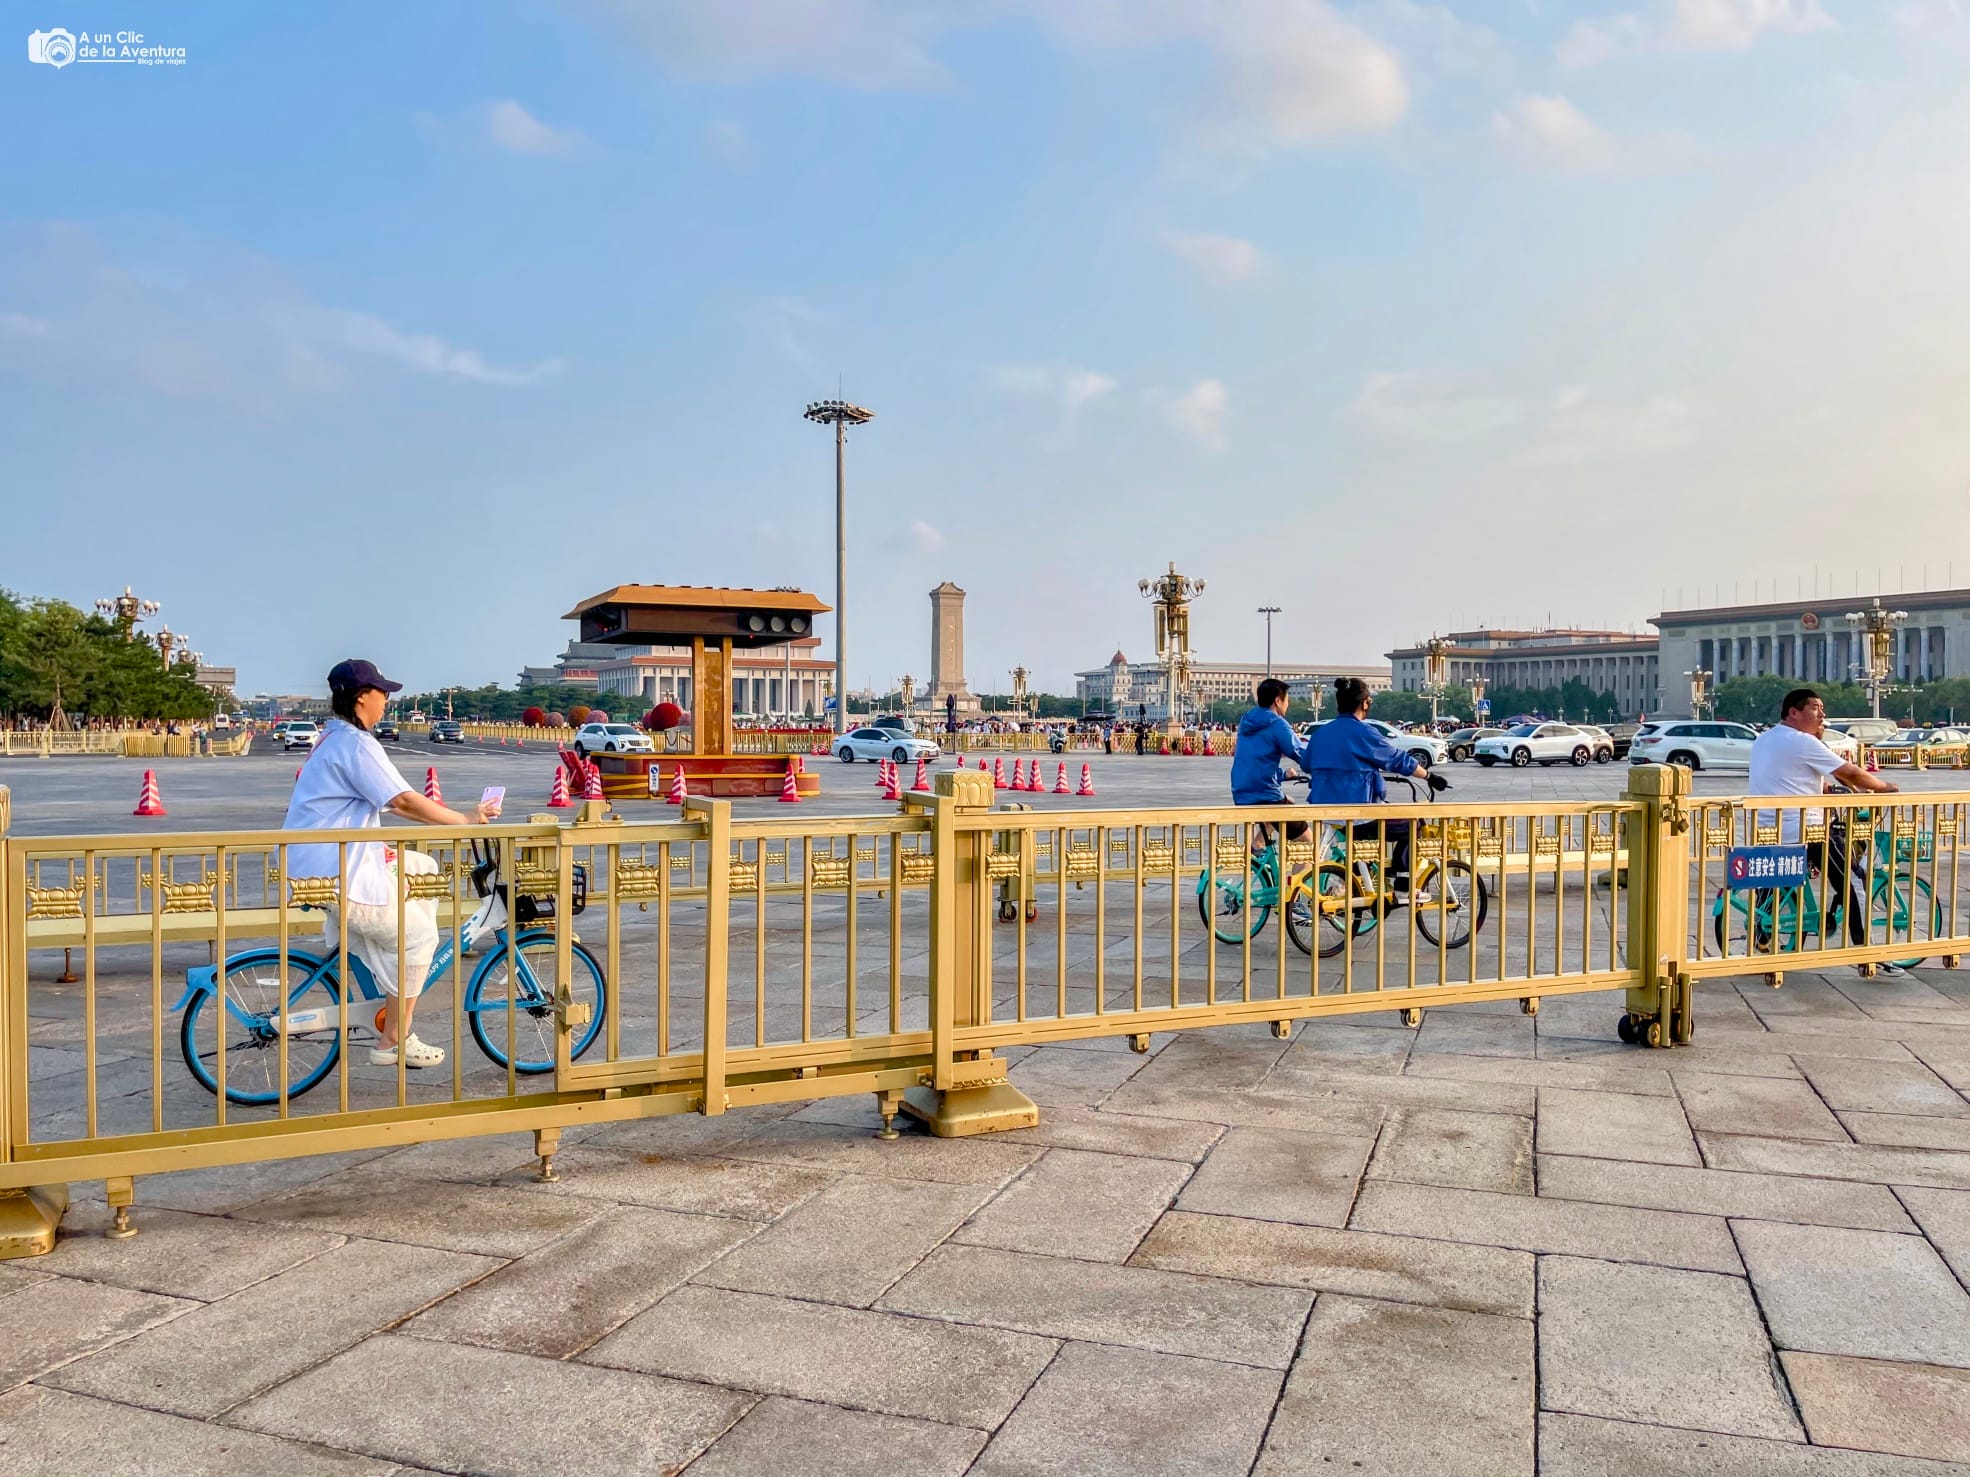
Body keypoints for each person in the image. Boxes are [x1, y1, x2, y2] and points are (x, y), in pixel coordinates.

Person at [282, 659, 503, 1067]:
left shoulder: (333, 738)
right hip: (337, 872)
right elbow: (399, 800)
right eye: (382, 693)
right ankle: (395, 1039)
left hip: (320, 862)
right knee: (420, 937)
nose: (386, 700)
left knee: (423, 869)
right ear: (362, 696)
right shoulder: (356, 744)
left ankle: (388, 975)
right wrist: (464, 819)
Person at [1747, 688, 1902, 976]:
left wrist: (1825, 788)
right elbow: (1851, 772)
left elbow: (1786, 777)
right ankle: (1865, 951)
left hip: (1770, 828)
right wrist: (1884, 788)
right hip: (1806, 830)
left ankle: (1762, 934)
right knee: (1854, 880)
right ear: (1793, 712)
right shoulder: (1801, 740)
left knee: (1776, 881)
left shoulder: (1766, 738)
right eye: (1815, 708)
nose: (1822, 714)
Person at [1300, 676, 1429, 883]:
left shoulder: (1321, 733)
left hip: (1324, 810)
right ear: (1365, 702)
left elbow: (1306, 764)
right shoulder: (1364, 732)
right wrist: (1429, 776)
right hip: (1360, 811)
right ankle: (1403, 883)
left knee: (1363, 848)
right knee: (1413, 825)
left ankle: (1355, 885)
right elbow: (1397, 760)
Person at [1230, 678, 1311, 847]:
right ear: (1277, 700)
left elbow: (1255, 764)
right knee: (1308, 842)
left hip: (1241, 792)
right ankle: (1294, 876)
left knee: (1287, 801)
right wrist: (1324, 767)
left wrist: (1282, 774)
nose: (1288, 704)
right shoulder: (1277, 723)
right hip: (1264, 795)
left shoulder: (1247, 721)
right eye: (1287, 699)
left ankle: (1256, 847)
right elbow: (1300, 753)